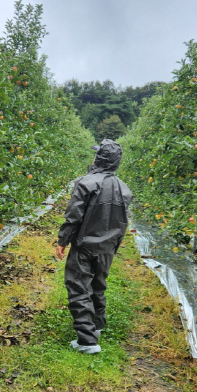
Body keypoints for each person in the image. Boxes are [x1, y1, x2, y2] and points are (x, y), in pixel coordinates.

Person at [55, 139, 133, 354]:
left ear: (99, 158)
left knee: (79, 288)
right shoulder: (123, 188)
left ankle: (87, 341)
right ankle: (96, 327)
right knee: (98, 286)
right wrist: (113, 246)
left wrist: (63, 241)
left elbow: (74, 216)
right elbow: (122, 223)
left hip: (85, 246)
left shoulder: (86, 183)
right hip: (107, 248)